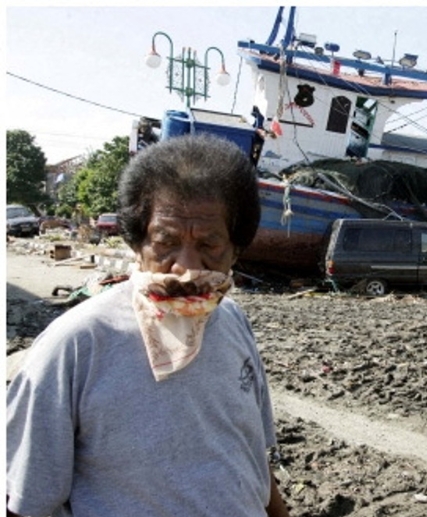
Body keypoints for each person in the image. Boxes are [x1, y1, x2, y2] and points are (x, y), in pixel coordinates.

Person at [6, 134, 291, 517]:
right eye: (165, 242)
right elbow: (28, 503)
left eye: (210, 245)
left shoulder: (233, 321)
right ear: (136, 243)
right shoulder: (75, 345)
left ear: (236, 249)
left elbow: (251, 455)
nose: (186, 268)